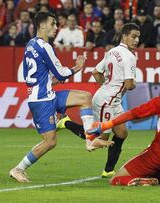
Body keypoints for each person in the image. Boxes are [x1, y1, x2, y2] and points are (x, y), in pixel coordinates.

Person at [9, 12, 113, 183]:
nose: (56, 28)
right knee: (50, 142)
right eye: (53, 24)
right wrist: (77, 67)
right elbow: (61, 72)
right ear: (42, 25)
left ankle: (89, 139)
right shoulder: (45, 46)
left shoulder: (30, 44)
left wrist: (49, 81)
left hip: (46, 93)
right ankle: (18, 169)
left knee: (85, 97)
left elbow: (32, 75)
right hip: (41, 100)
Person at [87, 70, 160, 186]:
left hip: (156, 156)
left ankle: (144, 182)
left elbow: (133, 114)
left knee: (116, 179)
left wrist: (106, 125)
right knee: (150, 173)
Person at [57, 23, 141, 178]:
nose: (136, 40)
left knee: (122, 133)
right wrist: (133, 84)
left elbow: (96, 72)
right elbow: (129, 85)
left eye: (138, 37)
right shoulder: (130, 56)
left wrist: (107, 86)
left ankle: (108, 170)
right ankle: (65, 123)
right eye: (133, 36)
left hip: (110, 100)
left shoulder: (112, 51)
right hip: (106, 102)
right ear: (124, 36)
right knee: (97, 139)